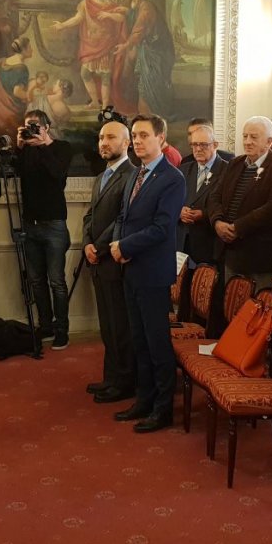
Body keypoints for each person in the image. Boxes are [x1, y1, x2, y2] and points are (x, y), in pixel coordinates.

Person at [110, 115, 185, 433]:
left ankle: (163, 409)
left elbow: (162, 227)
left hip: (153, 273)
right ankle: (144, 399)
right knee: (138, 340)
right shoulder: (135, 173)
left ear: (161, 139)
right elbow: (124, 217)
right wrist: (118, 245)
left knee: (157, 343)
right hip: (131, 269)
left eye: (144, 135)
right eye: (135, 136)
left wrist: (125, 246)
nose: (137, 141)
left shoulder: (172, 178)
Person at [207, 116, 272, 289]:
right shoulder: (235, 163)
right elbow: (215, 196)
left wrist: (237, 227)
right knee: (231, 301)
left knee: (257, 304)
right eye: (245, 136)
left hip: (258, 255)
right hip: (229, 251)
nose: (247, 142)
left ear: (269, 141)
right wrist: (217, 222)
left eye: (254, 137)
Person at [82, 120, 135, 404]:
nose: (104, 142)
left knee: (120, 326)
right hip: (97, 261)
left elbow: (122, 218)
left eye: (111, 137)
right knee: (106, 325)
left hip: (114, 260)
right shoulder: (101, 176)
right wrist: (86, 243)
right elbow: (89, 216)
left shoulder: (132, 175)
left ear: (126, 143)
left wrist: (99, 247)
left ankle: (124, 382)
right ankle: (111, 377)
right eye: (101, 137)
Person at [16, 109, 74, 350]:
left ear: (47, 127)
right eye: (28, 126)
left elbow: (58, 174)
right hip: (31, 223)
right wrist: (19, 148)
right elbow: (14, 173)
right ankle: (45, 325)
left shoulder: (62, 147)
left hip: (54, 223)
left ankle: (62, 330)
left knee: (56, 281)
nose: (32, 130)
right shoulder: (27, 151)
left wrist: (44, 145)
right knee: (36, 280)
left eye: (35, 125)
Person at [51, 0, 126, 109]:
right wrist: (62, 25)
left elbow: (121, 18)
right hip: (90, 44)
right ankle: (95, 102)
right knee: (85, 73)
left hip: (105, 43)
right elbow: (78, 18)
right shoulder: (85, 3)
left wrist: (109, 14)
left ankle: (105, 107)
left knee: (105, 75)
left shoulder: (108, 4)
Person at [114, 0, 176, 117]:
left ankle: (148, 113)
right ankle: (148, 112)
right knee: (145, 80)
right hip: (151, 50)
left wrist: (125, 45)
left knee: (148, 81)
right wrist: (127, 11)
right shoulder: (142, 7)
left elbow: (139, 28)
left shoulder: (146, 8)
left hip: (157, 52)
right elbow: (136, 17)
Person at [179, 123, 227, 265]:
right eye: (194, 144)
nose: (198, 149)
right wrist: (179, 211)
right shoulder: (183, 170)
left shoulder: (228, 170)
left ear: (215, 145)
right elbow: (171, 201)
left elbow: (229, 206)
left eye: (204, 145)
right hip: (183, 244)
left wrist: (204, 214)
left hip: (210, 245)